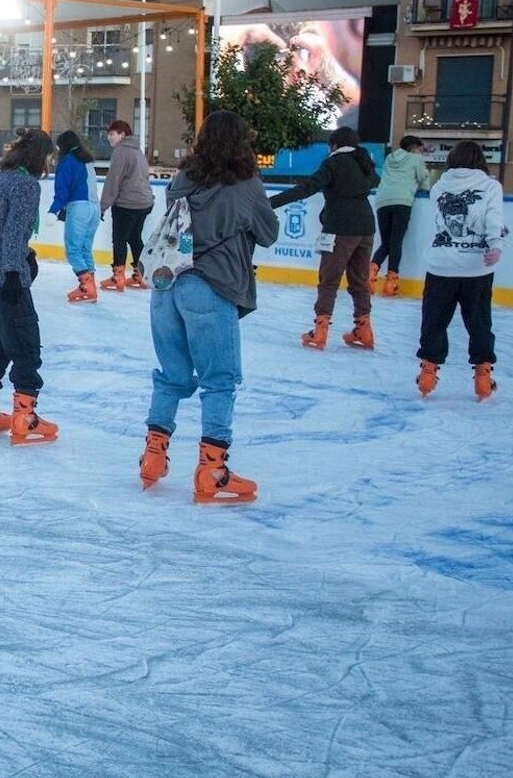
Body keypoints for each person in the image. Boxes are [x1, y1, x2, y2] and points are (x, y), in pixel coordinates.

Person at [139, 110, 279, 504]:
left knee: (173, 376)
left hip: (167, 287)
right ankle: (212, 469)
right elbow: (269, 233)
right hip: (210, 287)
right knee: (219, 379)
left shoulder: (182, 180)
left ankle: (152, 456)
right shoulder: (246, 183)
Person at [0, 128, 59, 446]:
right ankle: (25, 417)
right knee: (26, 346)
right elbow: (14, 232)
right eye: (48, 157)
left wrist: (23, 256)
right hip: (4, 277)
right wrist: (15, 272)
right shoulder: (26, 185)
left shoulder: (3, 178)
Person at [270, 127, 379, 351]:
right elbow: (373, 182)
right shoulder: (363, 161)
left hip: (340, 229)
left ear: (334, 145)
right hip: (366, 228)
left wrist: (271, 202)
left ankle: (320, 331)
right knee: (359, 281)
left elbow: (307, 188)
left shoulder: (333, 163)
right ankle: (364, 329)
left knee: (329, 280)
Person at [416, 141, 505, 402]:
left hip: (441, 265)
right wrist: (496, 245)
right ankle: (483, 377)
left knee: (434, 319)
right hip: (476, 267)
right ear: (480, 160)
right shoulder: (491, 186)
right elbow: (494, 219)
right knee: (479, 322)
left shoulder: (439, 186)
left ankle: (428, 373)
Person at [371, 135, 431, 297]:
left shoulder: (390, 158)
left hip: (382, 201)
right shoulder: (415, 159)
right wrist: (425, 188)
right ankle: (391, 282)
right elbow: (423, 179)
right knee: (396, 241)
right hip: (402, 201)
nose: (420, 153)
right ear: (414, 148)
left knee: (386, 242)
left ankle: (371, 272)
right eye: (420, 149)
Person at [98, 120, 154, 292]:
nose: (109, 138)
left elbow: (113, 181)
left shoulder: (121, 152)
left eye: (112, 134)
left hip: (127, 204)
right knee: (135, 238)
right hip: (145, 202)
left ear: (122, 134)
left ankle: (118, 276)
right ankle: (141, 275)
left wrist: (103, 206)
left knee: (120, 239)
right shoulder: (138, 151)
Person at [51, 130, 101, 303]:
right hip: (95, 208)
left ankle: (87, 287)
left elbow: (62, 190)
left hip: (79, 208)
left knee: (73, 249)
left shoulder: (67, 162)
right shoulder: (87, 161)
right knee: (85, 248)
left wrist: (54, 210)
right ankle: (91, 288)